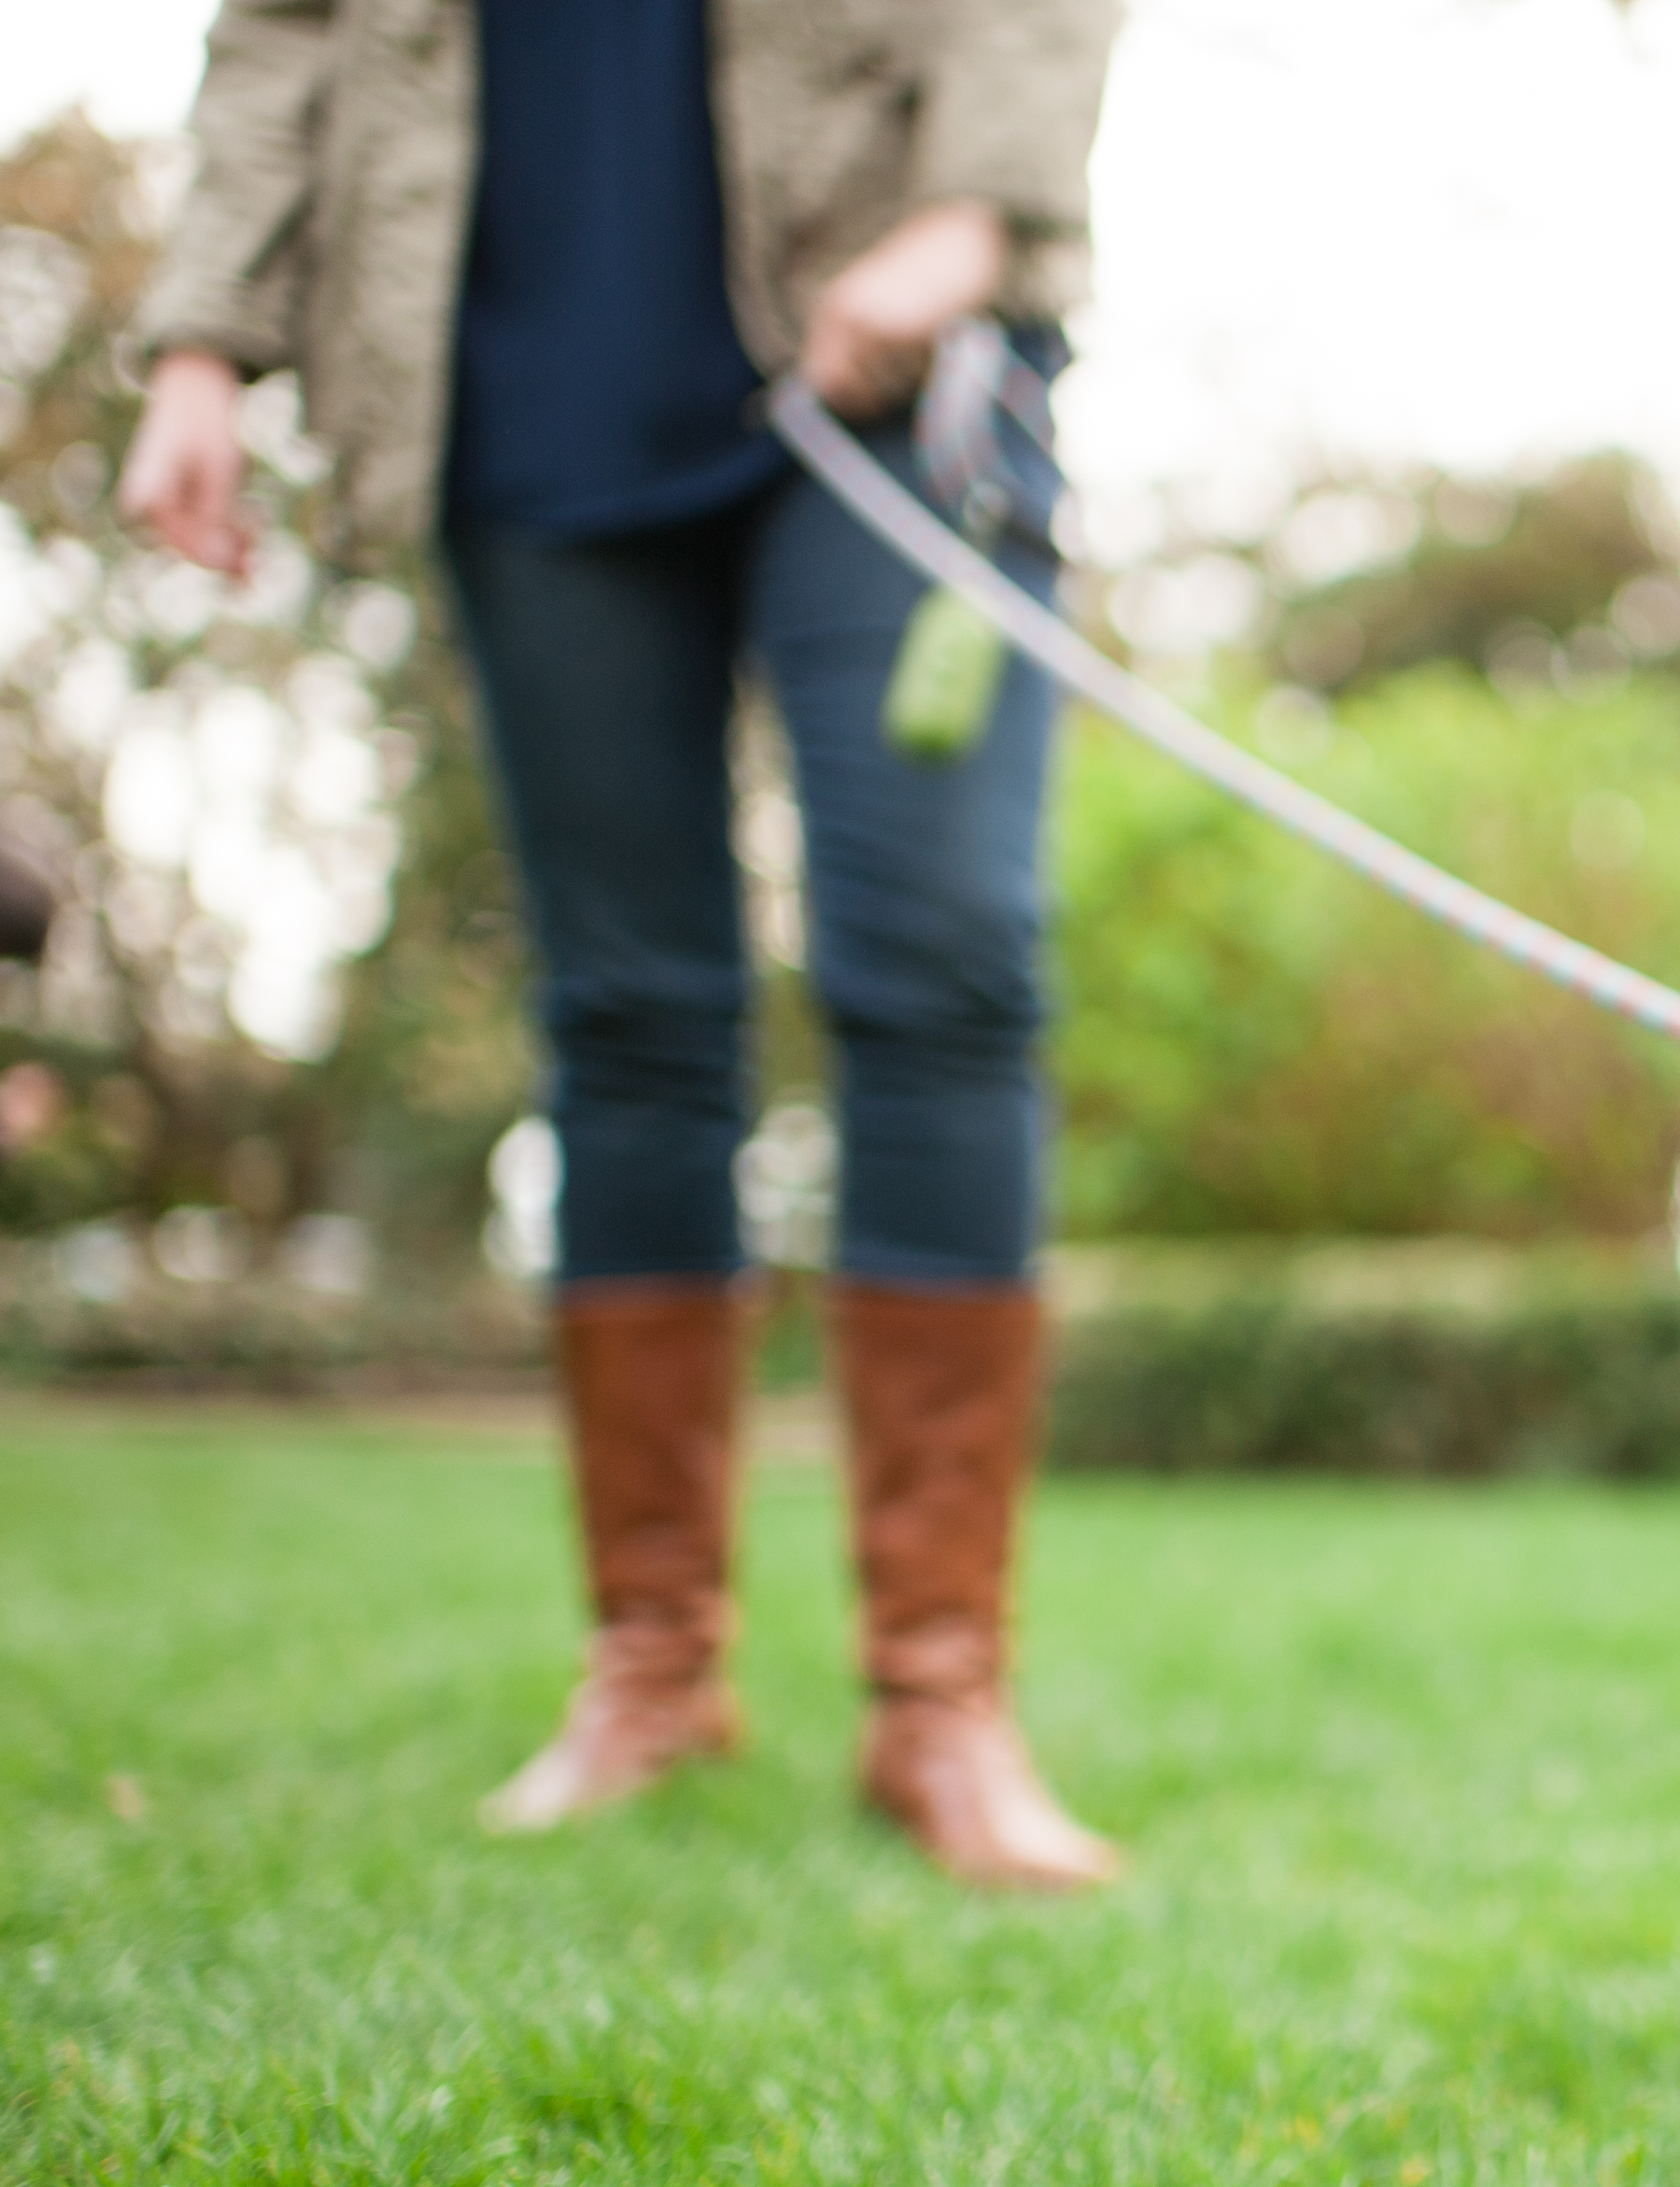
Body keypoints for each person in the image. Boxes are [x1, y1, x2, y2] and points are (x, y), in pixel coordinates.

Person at [121, 0, 1128, 1889]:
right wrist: (201, 337)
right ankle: (653, 1671)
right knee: (630, 1016)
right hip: (514, 378)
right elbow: (283, 29)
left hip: (886, 344)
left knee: (947, 964)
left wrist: (976, 215)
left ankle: (940, 1701)